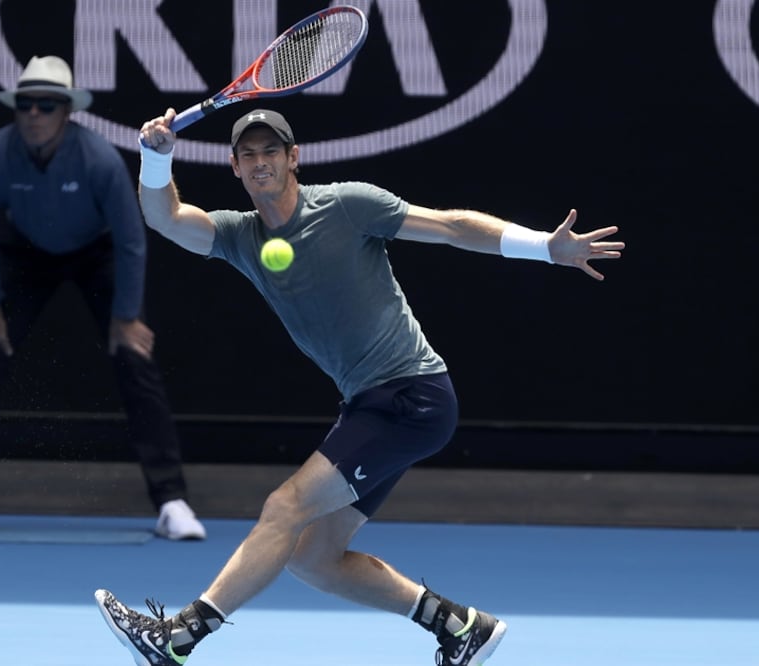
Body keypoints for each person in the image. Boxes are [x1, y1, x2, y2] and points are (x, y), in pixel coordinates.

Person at [94, 107, 624, 664]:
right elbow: (166, 217)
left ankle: (178, 638)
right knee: (312, 557)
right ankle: (461, 627)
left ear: (293, 158)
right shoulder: (239, 235)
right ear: (235, 167)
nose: (260, 162)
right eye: (247, 155)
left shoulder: (347, 205)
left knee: (285, 507)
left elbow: (450, 226)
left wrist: (544, 246)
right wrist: (156, 157)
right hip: (369, 405)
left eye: (270, 151)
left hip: (411, 396)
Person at [0, 57, 205, 541]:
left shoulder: (99, 160)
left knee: (135, 358)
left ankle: (171, 501)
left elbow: (132, 238)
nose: (33, 114)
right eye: (25, 104)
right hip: (27, 255)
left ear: (66, 111)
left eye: (45, 105)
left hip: (98, 253)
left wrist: (127, 316)